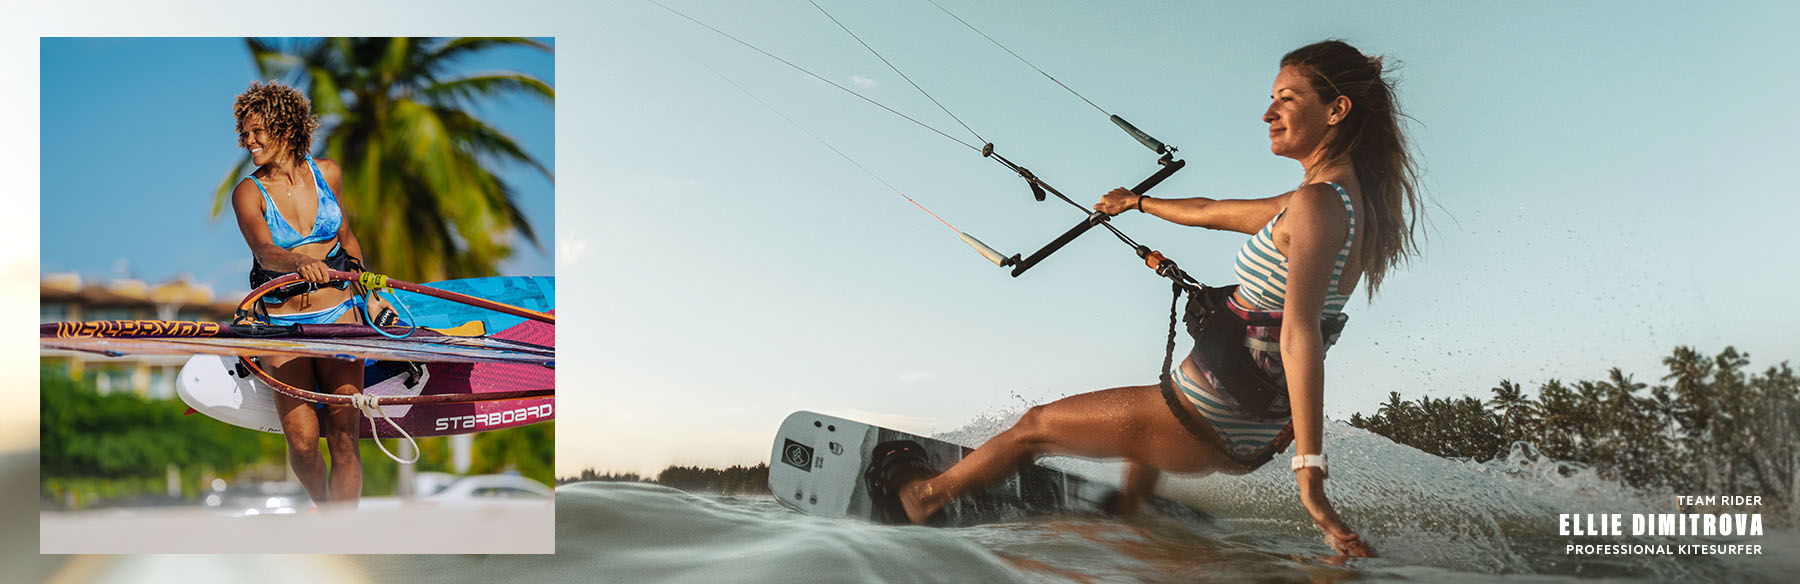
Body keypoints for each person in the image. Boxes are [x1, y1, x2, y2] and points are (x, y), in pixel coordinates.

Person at [887, 40, 1420, 558]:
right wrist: (1139, 203)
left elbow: (1299, 333)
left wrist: (1310, 474)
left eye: (1287, 98)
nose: (1268, 112)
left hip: (1206, 415)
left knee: (1034, 428)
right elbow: (1212, 210)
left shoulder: (1316, 205)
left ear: (1336, 110)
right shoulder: (1339, 203)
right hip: (1250, 430)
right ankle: (1128, 516)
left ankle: (923, 497)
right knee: (1140, 416)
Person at [229, 81, 374, 507]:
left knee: (345, 437)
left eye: (259, 132)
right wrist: (298, 264)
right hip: (285, 325)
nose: (250, 142)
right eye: (245, 134)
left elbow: (346, 239)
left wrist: (365, 288)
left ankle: (343, 533)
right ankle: (324, 509)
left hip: (341, 317)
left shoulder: (327, 173)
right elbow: (264, 251)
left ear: (287, 128)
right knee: (305, 442)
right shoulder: (248, 192)